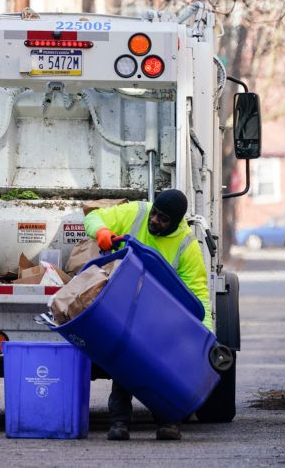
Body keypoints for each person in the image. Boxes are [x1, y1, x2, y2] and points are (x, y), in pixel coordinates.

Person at [84, 189, 212, 441]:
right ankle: (119, 422)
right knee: (124, 362)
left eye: (163, 219)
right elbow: (93, 217)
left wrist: (205, 336)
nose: (154, 220)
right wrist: (101, 232)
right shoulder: (138, 211)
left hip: (160, 313)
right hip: (126, 304)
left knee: (162, 367)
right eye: (155, 213)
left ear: (176, 223)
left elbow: (198, 295)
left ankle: (168, 422)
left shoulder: (187, 245)